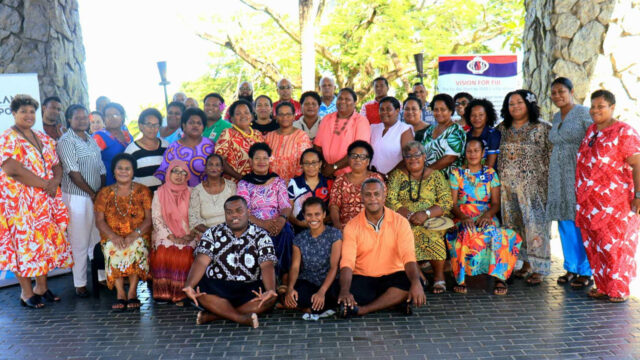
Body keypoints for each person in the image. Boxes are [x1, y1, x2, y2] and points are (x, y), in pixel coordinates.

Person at [0, 94, 72, 309]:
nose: (28, 115)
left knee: (43, 245)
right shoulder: (7, 138)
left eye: (32, 111)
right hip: (19, 205)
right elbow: (13, 170)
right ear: (13, 113)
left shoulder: (42, 137)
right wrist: (45, 184)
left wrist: (55, 182)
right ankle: (26, 292)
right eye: (23, 111)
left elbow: (56, 164)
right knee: (23, 246)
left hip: (43, 202)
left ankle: (42, 287)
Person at [576, 90, 640, 303]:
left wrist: (638, 194)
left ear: (612, 107)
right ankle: (603, 286)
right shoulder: (592, 130)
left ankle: (618, 289)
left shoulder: (624, 132)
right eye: (593, 106)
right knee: (596, 246)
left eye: (601, 106)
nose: (595, 110)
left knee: (616, 247)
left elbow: (637, 164)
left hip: (616, 203)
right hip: (590, 203)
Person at [182, 196, 278, 327]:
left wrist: (270, 290)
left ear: (248, 212)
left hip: (249, 287)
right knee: (200, 291)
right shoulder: (212, 233)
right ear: (225, 214)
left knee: (269, 297)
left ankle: (214, 315)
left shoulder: (261, 235)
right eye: (229, 212)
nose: (234, 215)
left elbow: (267, 265)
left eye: (239, 210)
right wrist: (189, 285)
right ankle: (242, 319)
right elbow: (201, 262)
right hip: (218, 287)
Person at [337, 178, 426, 317]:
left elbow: (408, 257)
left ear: (384, 196)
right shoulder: (352, 226)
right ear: (362, 198)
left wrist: (415, 283)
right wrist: (344, 291)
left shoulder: (400, 222)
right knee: (339, 292)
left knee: (414, 282)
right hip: (364, 277)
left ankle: (363, 310)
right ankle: (394, 301)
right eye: (368, 194)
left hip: (394, 275)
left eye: (376, 194)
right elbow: (347, 262)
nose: (373, 198)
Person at [446, 139, 522, 295]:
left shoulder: (490, 173)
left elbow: (495, 203)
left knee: (497, 235)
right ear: (465, 153)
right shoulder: (456, 173)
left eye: (476, 151)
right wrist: (462, 217)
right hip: (462, 214)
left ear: (482, 153)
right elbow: (452, 204)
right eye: (469, 151)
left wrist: (488, 215)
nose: (472, 154)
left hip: (485, 214)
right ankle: (461, 279)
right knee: (466, 233)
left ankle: (499, 279)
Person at [497, 89, 552, 285]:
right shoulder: (502, 129)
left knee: (536, 227)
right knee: (514, 227)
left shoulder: (543, 128)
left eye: (519, 103)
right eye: (511, 104)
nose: (515, 107)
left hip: (534, 190)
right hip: (507, 190)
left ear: (529, 104)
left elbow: (551, 158)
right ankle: (525, 264)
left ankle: (540, 269)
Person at [386, 141, 452, 294]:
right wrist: (409, 215)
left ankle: (438, 277)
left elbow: (446, 202)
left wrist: (425, 214)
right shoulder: (397, 176)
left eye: (417, 155)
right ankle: (418, 276)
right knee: (404, 233)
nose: (413, 159)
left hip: (431, 219)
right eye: (408, 156)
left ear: (424, 156)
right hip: (403, 219)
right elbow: (390, 200)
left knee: (432, 232)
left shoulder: (436, 176)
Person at [547, 77, 593, 288]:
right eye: (554, 93)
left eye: (561, 91)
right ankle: (571, 267)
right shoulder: (556, 117)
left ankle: (586, 270)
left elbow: (595, 141)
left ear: (572, 91)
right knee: (564, 220)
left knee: (580, 220)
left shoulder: (584, 113)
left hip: (578, 172)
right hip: (558, 174)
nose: (557, 96)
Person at [57, 104, 106, 298]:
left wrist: (100, 191)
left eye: (85, 117)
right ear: (69, 120)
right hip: (77, 197)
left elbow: (101, 167)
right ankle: (80, 283)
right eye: (77, 118)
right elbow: (73, 172)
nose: (83, 121)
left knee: (97, 237)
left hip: (95, 195)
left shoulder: (91, 139)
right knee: (79, 241)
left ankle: (101, 277)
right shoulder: (66, 141)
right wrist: (93, 194)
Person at [94, 153, 152, 311]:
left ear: (133, 171)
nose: (124, 171)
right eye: (120, 168)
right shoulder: (104, 193)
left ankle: (132, 291)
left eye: (128, 168)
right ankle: (120, 293)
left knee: (136, 247)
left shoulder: (143, 191)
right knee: (114, 248)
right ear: (114, 171)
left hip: (139, 234)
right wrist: (113, 236)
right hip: (111, 235)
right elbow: (99, 221)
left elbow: (149, 219)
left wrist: (134, 235)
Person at [237, 143, 294, 283]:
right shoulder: (244, 183)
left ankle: (282, 276)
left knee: (286, 230)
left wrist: (281, 220)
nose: (261, 162)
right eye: (257, 158)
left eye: (265, 158)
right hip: (253, 223)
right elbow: (243, 211)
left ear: (269, 160)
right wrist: (263, 224)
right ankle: (263, 279)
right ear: (250, 161)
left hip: (277, 222)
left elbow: (286, 206)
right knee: (257, 234)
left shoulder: (278, 181)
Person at [285, 197, 342, 319]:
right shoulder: (299, 239)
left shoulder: (335, 235)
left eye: (317, 214)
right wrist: (290, 289)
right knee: (296, 297)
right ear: (304, 216)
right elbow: (295, 267)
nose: (313, 218)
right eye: (309, 215)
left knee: (335, 294)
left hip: (330, 282)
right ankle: (317, 308)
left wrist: (321, 292)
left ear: (324, 214)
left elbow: (334, 267)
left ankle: (313, 308)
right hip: (309, 280)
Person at [150, 160, 197, 305]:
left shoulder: (193, 192)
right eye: (175, 171)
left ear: (187, 176)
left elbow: (197, 216)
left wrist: (189, 235)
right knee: (163, 253)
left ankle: (182, 294)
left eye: (183, 172)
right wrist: (171, 236)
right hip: (165, 233)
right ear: (168, 173)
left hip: (190, 233)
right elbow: (156, 218)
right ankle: (163, 293)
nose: (179, 175)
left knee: (185, 255)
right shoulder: (159, 193)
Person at [314, 88, 371, 177]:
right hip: (326, 173)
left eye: (347, 99)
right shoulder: (326, 119)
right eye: (340, 98)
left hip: (350, 175)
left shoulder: (361, 121)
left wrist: (334, 167)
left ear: (355, 102)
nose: (342, 102)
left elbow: (359, 151)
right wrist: (324, 166)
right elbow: (317, 146)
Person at [329, 141, 386, 229]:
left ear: (368, 161)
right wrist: (337, 226)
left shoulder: (376, 178)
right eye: (354, 156)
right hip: (345, 227)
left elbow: (381, 204)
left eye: (362, 157)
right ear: (348, 159)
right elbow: (334, 206)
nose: (357, 159)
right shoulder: (340, 179)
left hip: (370, 227)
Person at [155, 108, 214, 187]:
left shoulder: (211, 145)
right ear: (184, 125)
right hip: (179, 196)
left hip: (207, 194)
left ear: (203, 127)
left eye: (199, 123)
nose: (195, 125)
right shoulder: (173, 147)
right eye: (191, 123)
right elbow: (164, 174)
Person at [215, 100, 265, 181]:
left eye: (246, 112)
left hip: (257, 182)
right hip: (234, 183)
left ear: (251, 116)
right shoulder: (227, 133)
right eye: (238, 114)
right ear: (232, 118)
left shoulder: (257, 134)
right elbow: (220, 160)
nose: (243, 116)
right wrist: (241, 178)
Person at [189, 154, 237, 237]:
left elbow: (236, 214)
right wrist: (214, 233)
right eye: (210, 164)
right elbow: (194, 220)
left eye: (217, 165)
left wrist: (226, 233)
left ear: (222, 169)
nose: (214, 167)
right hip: (207, 234)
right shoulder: (196, 191)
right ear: (205, 169)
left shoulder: (231, 187)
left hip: (230, 232)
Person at [418, 94, 466, 176]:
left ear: (451, 111)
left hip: (449, 181)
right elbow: (422, 152)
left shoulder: (456, 131)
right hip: (427, 179)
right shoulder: (429, 130)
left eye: (443, 109)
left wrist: (426, 172)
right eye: (436, 109)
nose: (439, 113)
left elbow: (450, 158)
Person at [265, 102, 313, 182]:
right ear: (276, 117)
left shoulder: (301, 136)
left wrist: (292, 183)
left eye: (288, 114)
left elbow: (305, 162)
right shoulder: (269, 137)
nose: (285, 117)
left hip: (295, 184)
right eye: (281, 114)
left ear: (294, 116)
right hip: (271, 184)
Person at [288, 149, 333, 232]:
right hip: (299, 229)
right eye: (306, 163)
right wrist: (299, 223)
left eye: (314, 162)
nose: (310, 166)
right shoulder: (293, 183)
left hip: (325, 229)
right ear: (301, 165)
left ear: (320, 164)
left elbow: (333, 209)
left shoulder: (329, 183)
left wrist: (320, 222)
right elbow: (288, 210)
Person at [124, 108, 168, 192]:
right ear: (141, 126)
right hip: (142, 200)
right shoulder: (131, 150)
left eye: (156, 125)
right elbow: (126, 178)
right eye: (149, 124)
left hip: (164, 200)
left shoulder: (166, 146)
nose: (152, 128)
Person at [92, 102, 133, 186]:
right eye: (108, 115)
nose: (112, 118)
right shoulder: (99, 136)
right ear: (104, 118)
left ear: (122, 117)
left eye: (115, 115)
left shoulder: (128, 136)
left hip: (127, 184)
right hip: (106, 185)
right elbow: (89, 163)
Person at [370, 96, 413, 175]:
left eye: (388, 109)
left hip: (394, 180)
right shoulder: (373, 128)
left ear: (397, 111)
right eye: (381, 109)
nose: (384, 112)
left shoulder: (404, 129)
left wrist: (387, 176)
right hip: (372, 179)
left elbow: (408, 158)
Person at [463, 99, 501, 169]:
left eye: (481, 115)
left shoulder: (493, 135)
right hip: (466, 177)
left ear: (487, 117)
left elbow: (490, 165)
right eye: (473, 115)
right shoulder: (465, 135)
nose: (477, 118)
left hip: (487, 177)